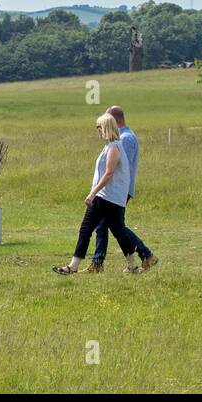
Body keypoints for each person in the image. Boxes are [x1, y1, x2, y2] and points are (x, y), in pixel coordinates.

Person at [53, 113, 144, 275]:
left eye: (99, 127)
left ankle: (73, 266)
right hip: (110, 197)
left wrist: (92, 193)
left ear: (107, 128)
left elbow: (109, 173)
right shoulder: (111, 146)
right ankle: (133, 266)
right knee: (118, 231)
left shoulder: (114, 147)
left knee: (86, 229)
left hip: (105, 197)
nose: (98, 131)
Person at [88, 105, 157, 272]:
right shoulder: (124, 137)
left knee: (110, 226)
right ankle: (141, 256)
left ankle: (144, 255)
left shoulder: (124, 139)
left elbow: (117, 169)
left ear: (115, 121)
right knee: (112, 226)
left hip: (117, 191)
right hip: (115, 191)